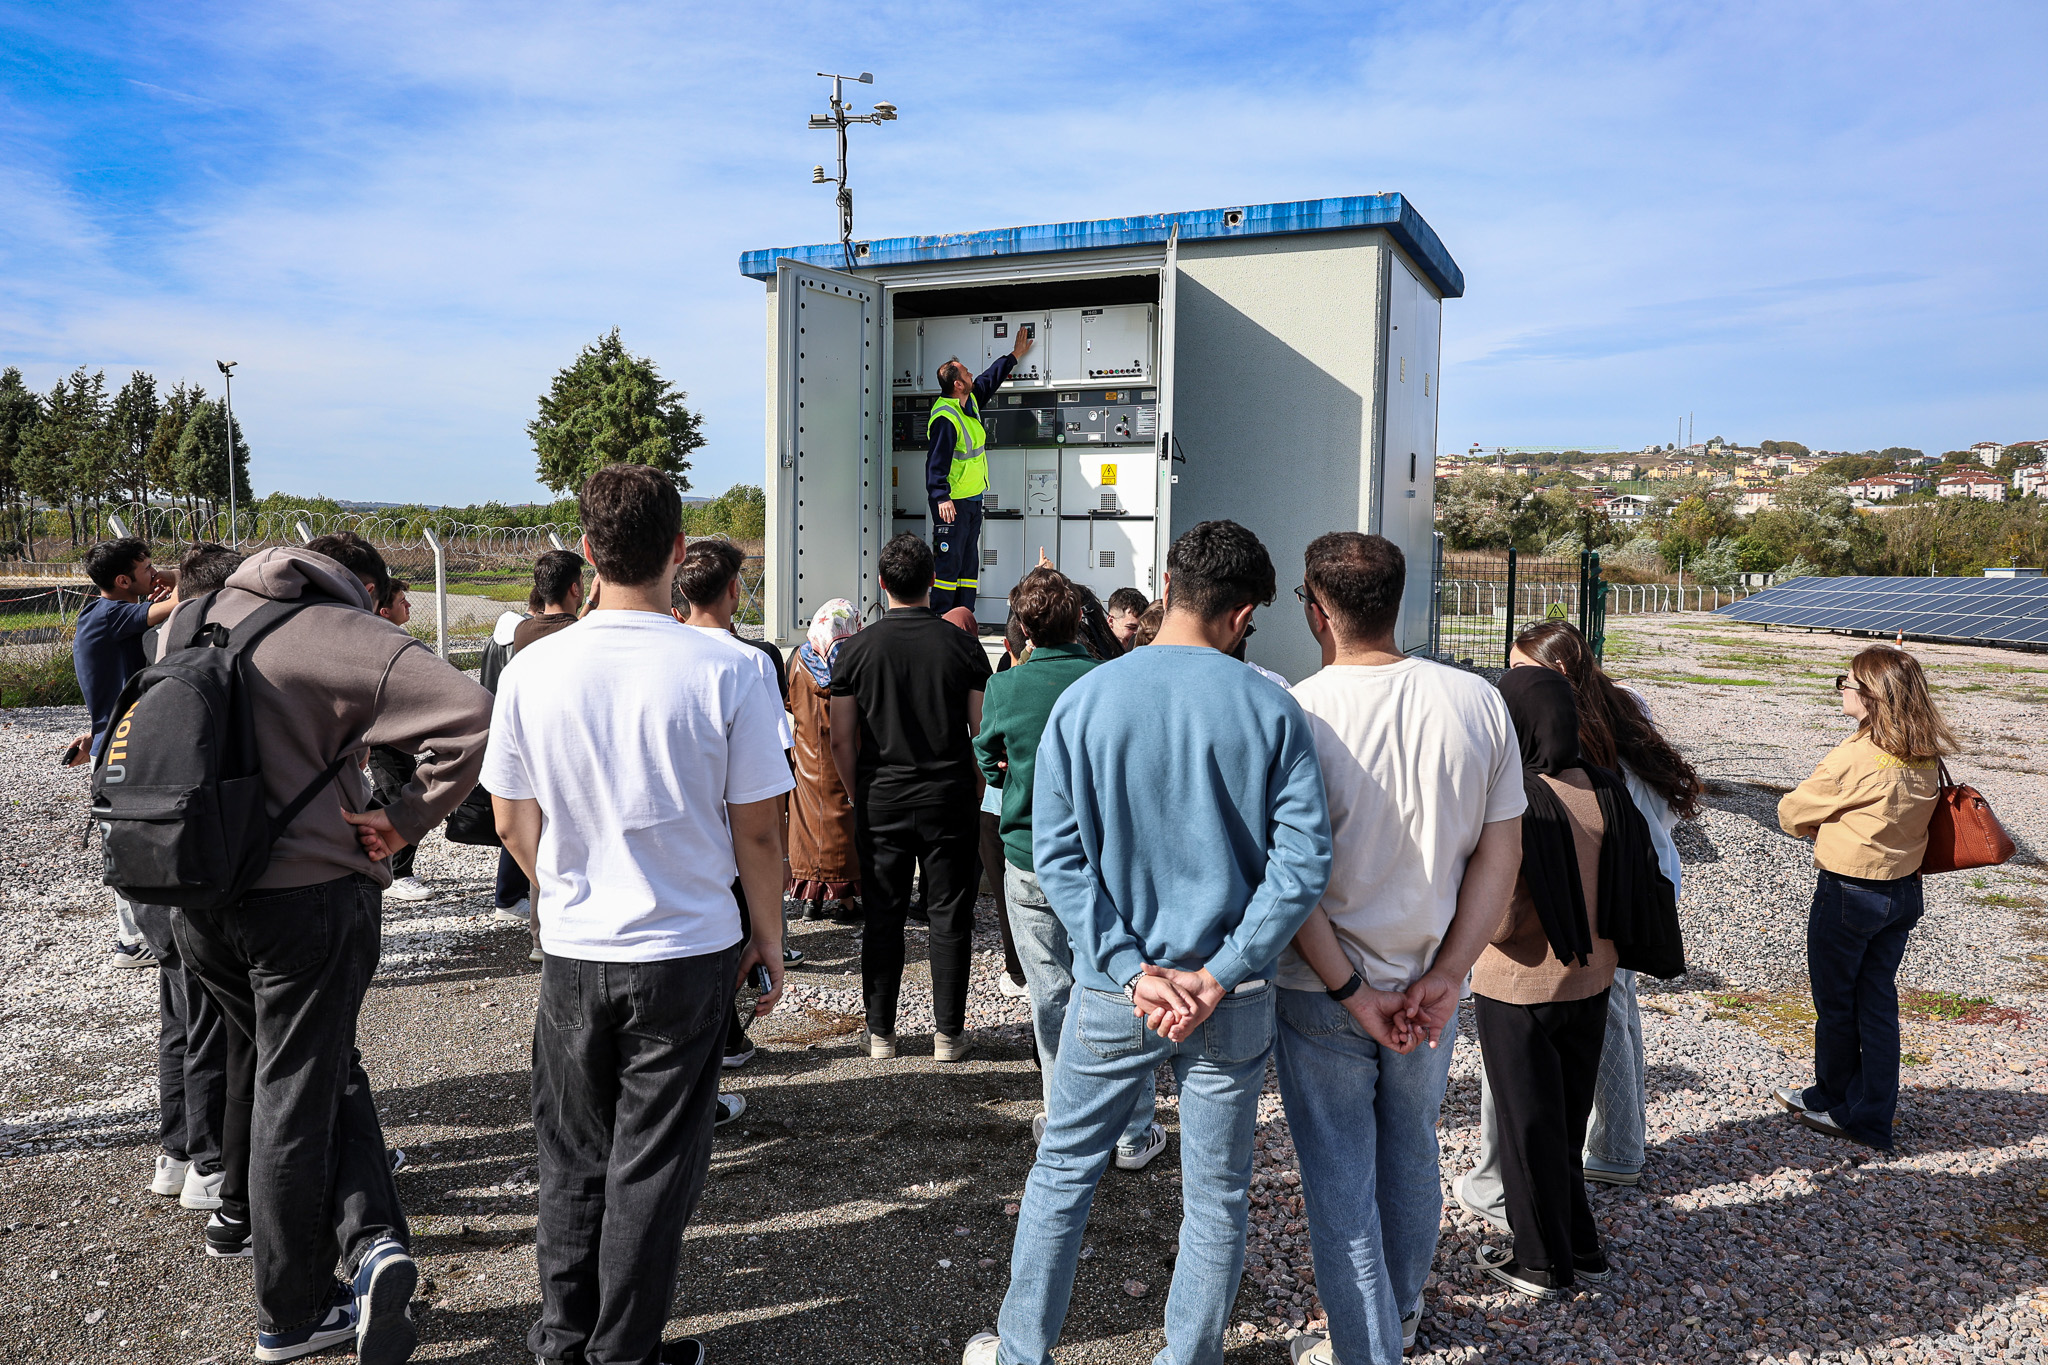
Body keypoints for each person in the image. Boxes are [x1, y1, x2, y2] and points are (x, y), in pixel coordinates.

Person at [963, 520, 1332, 1365]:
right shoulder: (1271, 706)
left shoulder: (1086, 700)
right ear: (1242, 615)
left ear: (1166, 585)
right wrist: (1224, 971)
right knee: (1216, 1197)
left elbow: (1056, 854)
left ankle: (1020, 1353)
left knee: (1064, 1173)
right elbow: (1302, 863)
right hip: (1228, 995)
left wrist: (1130, 968)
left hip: (1113, 988)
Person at [484, 465, 793, 1365]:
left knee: (572, 1152)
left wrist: (556, 888)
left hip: (575, 947)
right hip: (688, 946)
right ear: (677, 549)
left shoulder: (534, 667)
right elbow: (759, 831)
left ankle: (563, 1336)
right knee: (653, 1164)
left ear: (587, 550)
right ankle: (623, 1350)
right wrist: (769, 935)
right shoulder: (731, 668)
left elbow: (508, 816)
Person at [167, 538, 491, 1363]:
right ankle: (293, 1309)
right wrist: (406, 817)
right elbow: (472, 712)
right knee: (297, 1088)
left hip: (195, 894)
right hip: (304, 895)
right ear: (360, 586)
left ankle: (372, 1240)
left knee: (311, 1071)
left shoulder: (194, 618)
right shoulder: (333, 629)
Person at [1277, 533, 1525, 1365]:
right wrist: (1450, 972)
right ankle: (1403, 1309)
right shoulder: (1477, 700)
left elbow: (1292, 877)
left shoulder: (1300, 712)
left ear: (1317, 610)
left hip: (1323, 985)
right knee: (1412, 1144)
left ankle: (1367, 1345)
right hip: (1427, 983)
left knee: (1339, 1176)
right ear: (1399, 600)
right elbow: (1500, 854)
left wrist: (1350, 988)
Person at [1457, 620, 1701, 1220]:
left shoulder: (1566, 743)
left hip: (1584, 900)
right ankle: (1618, 1146)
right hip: (1636, 890)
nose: (1511, 682)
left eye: (1522, 670)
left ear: (1557, 675)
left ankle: (1510, 1180)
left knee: (1544, 1039)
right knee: (1615, 1017)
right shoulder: (1623, 706)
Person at [1466, 666, 1657, 1301]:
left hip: (1520, 988)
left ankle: (1540, 1263)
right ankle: (1582, 1245)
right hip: (1593, 981)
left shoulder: (1516, 799)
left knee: (1526, 1129)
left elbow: (1500, 919)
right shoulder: (1604, 785)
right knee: (1568, 1123)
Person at [974, 565, 1163, 1162]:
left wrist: (1009, 773)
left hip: (1029, 854)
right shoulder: (1111, 678)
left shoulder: (1007, 687)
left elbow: (987, 758)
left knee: (1050, 993)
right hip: (1102, 858)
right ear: (1081, 617)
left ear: (1023, 628)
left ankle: (1065, 1119)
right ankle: (1133, 1128)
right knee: (1118, 984)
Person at [1775, 645, 1952, 1150]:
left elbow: (1791, 812)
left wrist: (1826, 824)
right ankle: (1857, 1107)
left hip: (1851, 892)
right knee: (1875, 1002)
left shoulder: (1854, 758)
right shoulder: (1924, 750)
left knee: (1836, 1004)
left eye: (1847, 682)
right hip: (1904, 893)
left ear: (1872, 696)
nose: (1842, 690)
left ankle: (1845, 1109)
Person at [829, 533, 992, 1060]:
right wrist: (975, 788)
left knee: (883, 915)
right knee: (949, 916)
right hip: (949, 796)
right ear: (933, 582)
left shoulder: (854, 651)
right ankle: (949, 1036)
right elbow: (981, 733)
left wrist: (857, 793)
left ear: (882, 583)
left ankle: (881, 1034)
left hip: (881, 798)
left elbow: (841, 739)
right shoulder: (964, 647)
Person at [137, 542, 243, 1216]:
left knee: (177, 1016)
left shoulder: (157, 655)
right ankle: (210, 1161)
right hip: (192, 866)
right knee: (208, 1022)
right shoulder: (213, 661)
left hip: (146, 859)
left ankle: (175, 1152)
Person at [674, 537, 798, 1083]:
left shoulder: (669, 651)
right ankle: (725, 1037)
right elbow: (774, 759)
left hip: (686, 832)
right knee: (737, 934)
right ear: (733, 590)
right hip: (735, 834)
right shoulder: (749, 661)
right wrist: (782, 849)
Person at [70, 537, 178, 967]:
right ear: (122, 580)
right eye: (146, 568)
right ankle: (133, 943)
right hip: (122, 748)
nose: (154, 573)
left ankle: (139, 937)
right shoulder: (112, 614)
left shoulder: (101, 613)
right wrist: (173, 577)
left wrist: (95, 733)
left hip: (113, 740)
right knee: (131, 845)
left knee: (132, 840)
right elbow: (189, 595)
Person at [493, 549, 586, 940]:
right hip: (567, 744)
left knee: (537, 837)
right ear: (576, 588)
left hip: (531, 745)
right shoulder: (578, 634)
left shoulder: (523, 632)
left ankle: (539, 934)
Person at [928, 329, 1034, 614]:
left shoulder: (969, 402)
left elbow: (989, 379)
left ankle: (965, 618)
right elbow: (936, 462)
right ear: (958, 384)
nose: (971, 374)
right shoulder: (945, 417)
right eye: (966, 373)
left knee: (968, 564)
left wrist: (1014, 356)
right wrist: (941, 496)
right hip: (952, 504)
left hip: (972, 500)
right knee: (948, 563)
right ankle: (941, 619)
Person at [786, 599, 863, 923]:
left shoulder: (797, 658)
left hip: (805, 760)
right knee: (843, 832)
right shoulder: (852, 662)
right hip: (844, 760)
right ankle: (847, 904)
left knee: (809, 831)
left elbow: (789, 702)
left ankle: (811, 902)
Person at [367, 578, 434, 903]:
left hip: (397, 737)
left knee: (381, 798)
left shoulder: (391, 641)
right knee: (407, 802)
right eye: (402, 601)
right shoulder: (381, 645)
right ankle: (398, 874)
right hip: (384, 739)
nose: (408, 605)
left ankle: (377, 863)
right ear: (384, 610)